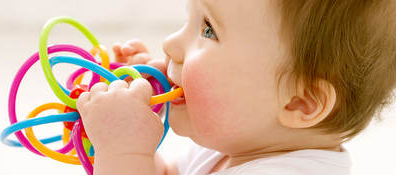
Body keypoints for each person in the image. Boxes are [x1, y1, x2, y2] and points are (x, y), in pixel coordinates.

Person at [76, 0, 396, 174]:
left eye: (208, 30)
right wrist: (129, 135)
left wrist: (123, 151)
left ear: (300, 102)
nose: (170, 45)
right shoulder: (237, 142)